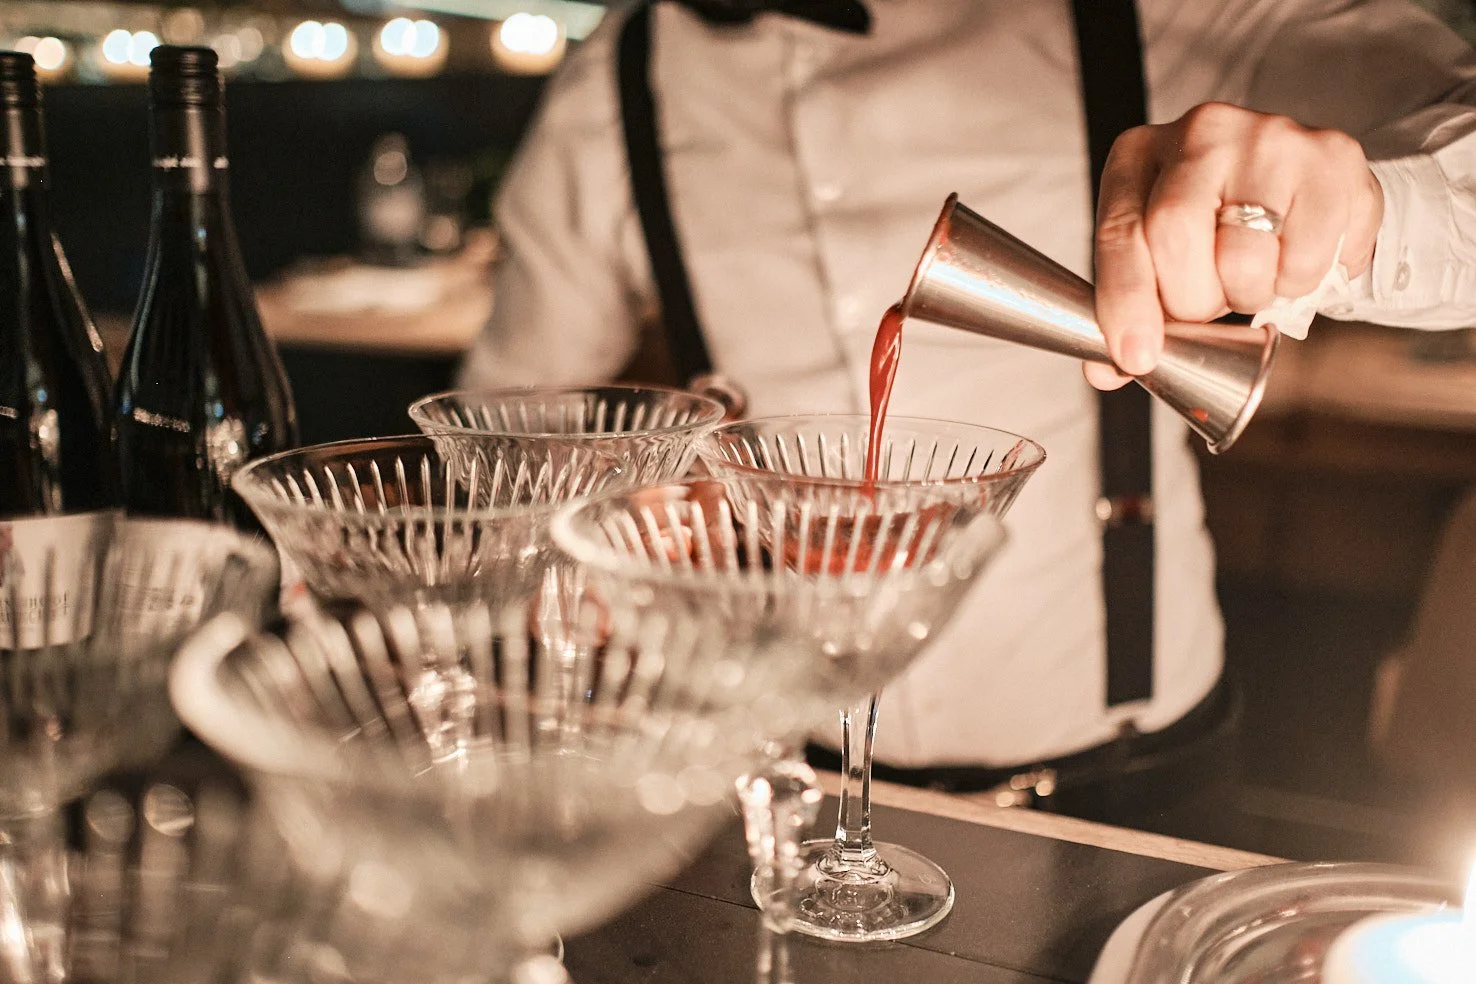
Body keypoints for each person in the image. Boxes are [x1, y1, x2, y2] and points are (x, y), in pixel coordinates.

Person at [459, 0, 1476, 829]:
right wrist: (615, 509)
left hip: (1127, 785)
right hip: (780, 783)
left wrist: (1362, 216)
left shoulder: (1164, 12)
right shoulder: (617, 77)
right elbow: (503, 443)